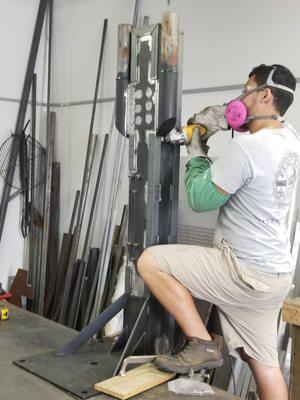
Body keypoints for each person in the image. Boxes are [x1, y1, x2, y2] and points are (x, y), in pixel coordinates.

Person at [137, 64, 299, 400]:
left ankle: (202, 345)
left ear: (265, 95)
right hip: (275, 276)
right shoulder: (291, 138)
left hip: (242, 270)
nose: (239, 100)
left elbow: (199, 198)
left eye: (245, 91)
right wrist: (225, 122)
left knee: (151, 262)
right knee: (265, 365)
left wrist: (197, 146)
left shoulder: (249, 149)